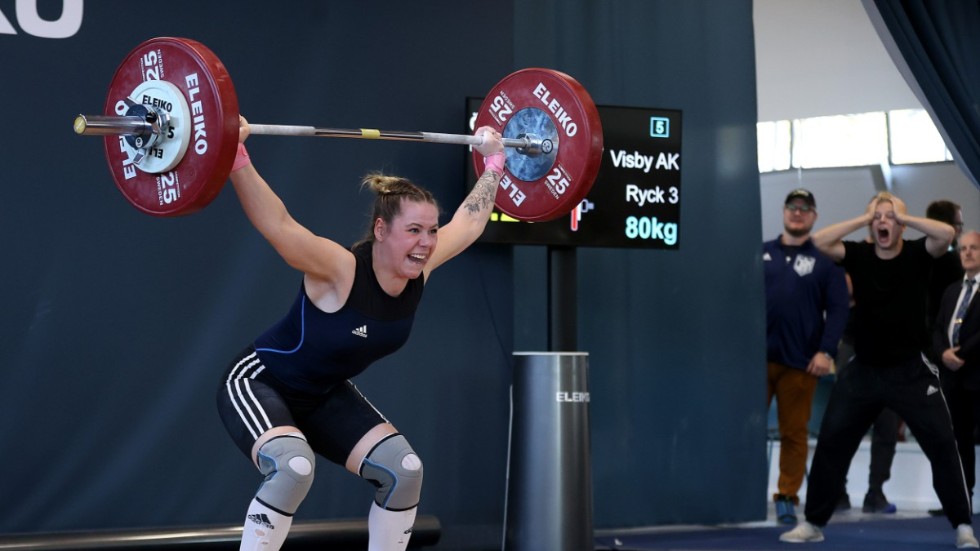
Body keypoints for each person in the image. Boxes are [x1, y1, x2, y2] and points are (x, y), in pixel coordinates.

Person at [215, 115, 505, 551]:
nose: (426, 242)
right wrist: (235, 154)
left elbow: (470, 222)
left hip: (322, 394)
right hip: (258, 381)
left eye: (430, 230)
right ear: (381, 230)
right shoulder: (340, 270)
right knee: (294, 468)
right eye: (413, 231)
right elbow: (279, 226)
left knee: (403, 470)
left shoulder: (420, 269)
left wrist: (496, 162)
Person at [779, 192, 978, 548]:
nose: (884, 222)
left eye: (891, 217)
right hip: (864, 371)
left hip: (911, 371)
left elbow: (946, 234)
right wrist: (864, 216)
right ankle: (813, 522)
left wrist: (902, 216)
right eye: (878, 217)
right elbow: (819, 241)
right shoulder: (857, 253)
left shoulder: (919, 253)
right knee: (831, 441)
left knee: (943, 443)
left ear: (902, 224)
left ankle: (963, 524)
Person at [764, 189, 849, 524]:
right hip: (756, 360)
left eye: (805, 208)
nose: (797, 213)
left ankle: (786, 496)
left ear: (814, 216)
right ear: (784, 212)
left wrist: (826, 351)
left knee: (794, 432)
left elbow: (839, 310)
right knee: (745, 430)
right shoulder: (761, 253)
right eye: (792, 207)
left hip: (801, 362)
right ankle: (741, 495)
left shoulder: (826, 262)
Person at [933, 230, 980, 514]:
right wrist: (942, 353)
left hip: (976, 375)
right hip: (953, 379)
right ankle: (961, 500)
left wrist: (959, 354)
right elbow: (938, 327)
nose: (968, 253)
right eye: (963, 248)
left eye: (974, 248)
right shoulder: (952, 290)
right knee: (958, 441)